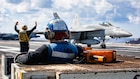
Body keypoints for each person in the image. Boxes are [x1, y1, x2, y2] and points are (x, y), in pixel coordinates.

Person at [14, 13, 83, 65]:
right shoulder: (76, 49)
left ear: (49, 34)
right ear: (67, 33)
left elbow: (28, 59)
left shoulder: (46, 49)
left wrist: (18, 57)